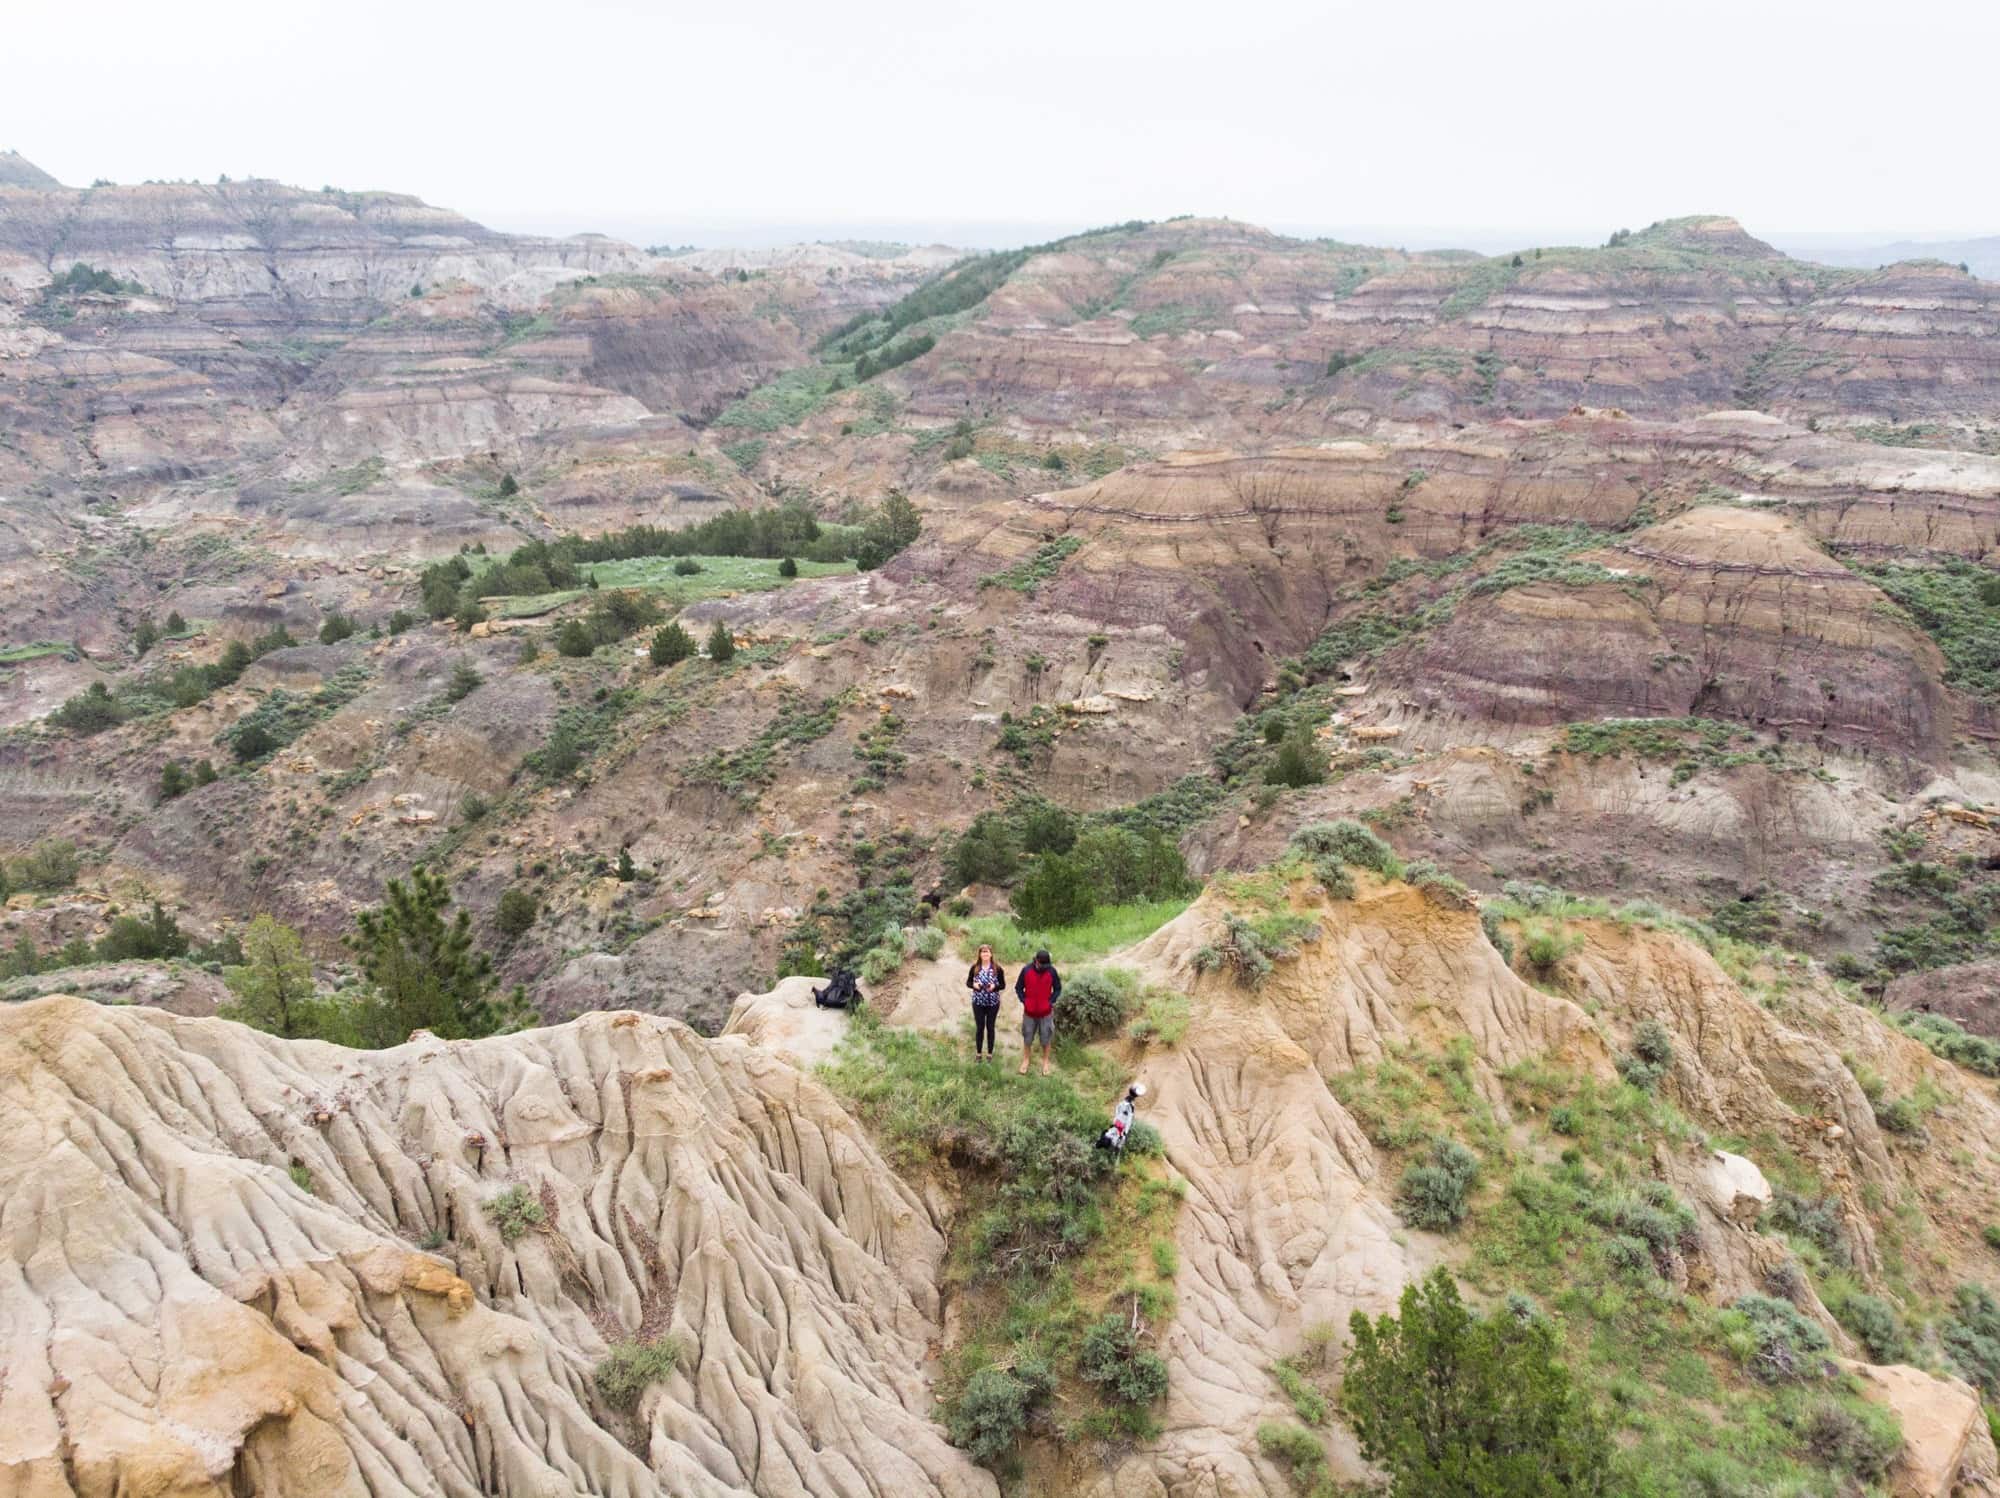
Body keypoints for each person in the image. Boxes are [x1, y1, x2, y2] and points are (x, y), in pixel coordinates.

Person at [1014, 948, 1061, 1076]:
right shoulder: (1026, 970)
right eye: (1043, 965)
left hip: (1046, 1013)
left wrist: (1050, 1002)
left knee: (1046, 1038)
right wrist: (1025, 1001)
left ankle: (1045, 1061)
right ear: (1036, 961)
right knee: (1027, 1038)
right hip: (1029, 1013)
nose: (1045, 967)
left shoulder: (1052, 971)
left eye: (1047, 965)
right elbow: (1018, 988)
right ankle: (1026, 1060)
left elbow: (1057, 989)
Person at [964, 943, 1006, 1061]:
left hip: (993, 1003)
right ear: (979, 954)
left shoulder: (997, 969)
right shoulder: (975, 968)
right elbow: (968, 983)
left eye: (987, 951)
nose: (985, 954)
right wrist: (974, 985)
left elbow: (1003, 985)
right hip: (978, 1003)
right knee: (980, 1028)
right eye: (983, 952)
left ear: (991, 954)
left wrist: (994, 986)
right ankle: (978, 1053)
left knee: (990, 1027)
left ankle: (989, 1054)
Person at [1097, 1083, 1147, 1153]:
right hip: (1120, 1128)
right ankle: (1114, 1153)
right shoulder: (1130, 1107)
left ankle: (1111, 1149)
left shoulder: (1122, 1103)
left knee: (1113, 1138)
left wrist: (1115, 1123)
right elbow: (1128, 1120)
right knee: (1118, 1143)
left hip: (1117, 1125)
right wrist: (1125, 1132)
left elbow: (1117, 1113)